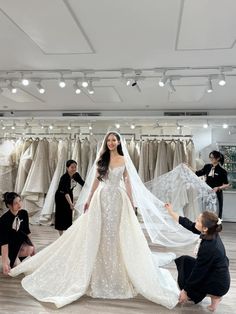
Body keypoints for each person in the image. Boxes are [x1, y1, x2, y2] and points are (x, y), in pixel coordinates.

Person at [9, 132, 180, 309]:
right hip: (102, 199)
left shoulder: (124, 159)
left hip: (118, 199)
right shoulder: (101, 159)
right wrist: (89, 200)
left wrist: (131, 202)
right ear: (106, 143)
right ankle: (96, 271)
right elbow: (96, 183)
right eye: (109, 140)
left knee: (116, 234)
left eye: (114, 140)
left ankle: (119, 272)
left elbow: (128, 182)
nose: (111, 142)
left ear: (119, 142)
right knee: (100, 233)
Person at [165, 203, 230, 312]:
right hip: (217, 274)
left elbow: (199, 272)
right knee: (185, 260)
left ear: (204, 228)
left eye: (198, 220)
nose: (196, 221)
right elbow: (189, 224)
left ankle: (215, 296)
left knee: (188, 277)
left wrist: (185, 291)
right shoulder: (210, 231)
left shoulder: (209, 246)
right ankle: (214, 296)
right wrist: (171, 212)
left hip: (218, 283)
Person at [0, 192, 35, 275]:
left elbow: (27, 231)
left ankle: (14, 257)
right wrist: (5, 262)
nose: (19, 205)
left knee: (30, 249)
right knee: (13, 268)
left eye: (20, 201)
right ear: (9, 205)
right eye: (16, 203)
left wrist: (33, 245)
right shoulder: (4, 220)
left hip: (18, 240)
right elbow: (4, 242)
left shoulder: (24, 213)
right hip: (5, 243)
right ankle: (8, 257)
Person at [195, 150, 229, 218]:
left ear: (218, 158)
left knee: (217, 212)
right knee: (207, 211)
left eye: (212, 157)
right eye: (210, 157)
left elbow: (227, 185)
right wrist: (188, 168)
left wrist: (218, 188)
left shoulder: (222, 171)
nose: (211, 159)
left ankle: (217, 227)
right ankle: (208, 226)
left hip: (217, 194)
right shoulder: (207, 167)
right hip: (207, 193)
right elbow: (197, 173)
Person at [55, 160, 84, 235]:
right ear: (67, 168)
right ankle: (61, 236)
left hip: (69, 194)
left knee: (68, 215)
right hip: (60, 197)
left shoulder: (76, 175)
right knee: (61, 215)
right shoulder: (64, 178)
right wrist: (71, 203)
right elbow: (65, 192)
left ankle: (67, 234)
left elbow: (83, 183)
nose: (74, 169)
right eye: (72, 167)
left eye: (75, 167)